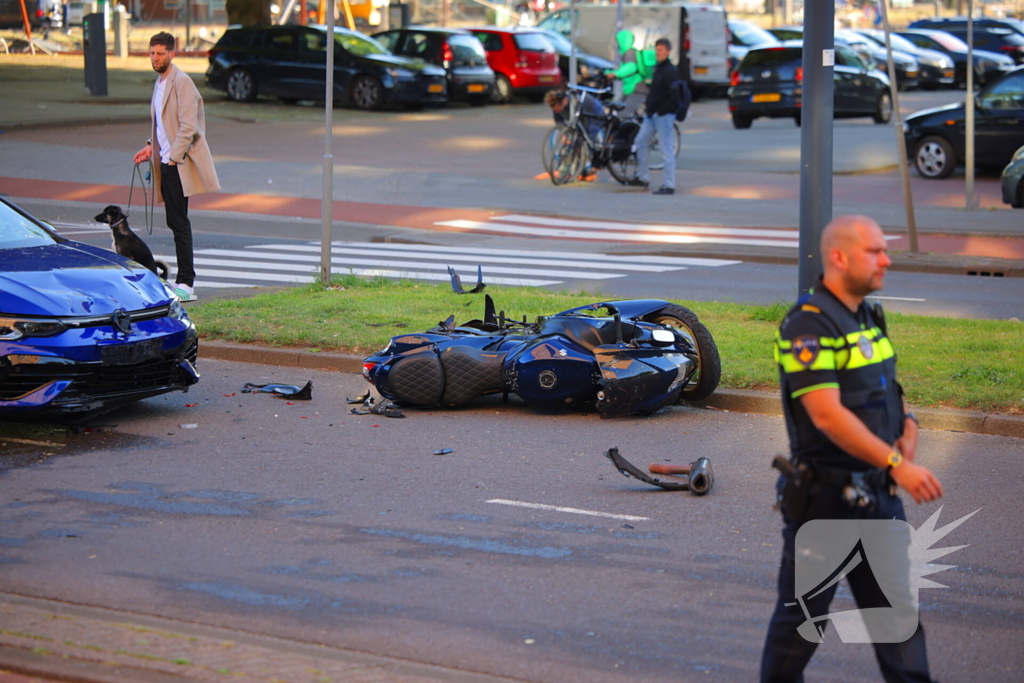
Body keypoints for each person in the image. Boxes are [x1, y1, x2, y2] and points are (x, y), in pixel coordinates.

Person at [761, 215, 944, 683]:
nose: (886, 259)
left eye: (885, 250)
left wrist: (908, 424)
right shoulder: (808, 325)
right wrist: (896, 462)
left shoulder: (867, 315)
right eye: (875, 251)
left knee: (899, 628)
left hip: (879, 501)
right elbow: (825, 414)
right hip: (827, 506)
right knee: (799, 631)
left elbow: (888, 389)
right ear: (839, 257)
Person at [133, 32, 220, 303]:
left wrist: (173, 157)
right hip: (165, 160)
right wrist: (152, 146)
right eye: (152, 53)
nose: (155, 58)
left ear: (172, 53)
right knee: (174, 220)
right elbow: (164, 123)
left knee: (179, 222)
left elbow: (188, 126)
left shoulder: (182, 82)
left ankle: (187, 283)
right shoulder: (161, 82)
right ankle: (184, 280)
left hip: (178, 164)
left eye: (160, 53)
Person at [627, 38, 679, 195]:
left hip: (663, 116)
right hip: (652, 115)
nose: (658, 52)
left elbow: (674, 95)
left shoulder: (670, 71)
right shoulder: (658, 69)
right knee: (640, 142)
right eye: (657, 49)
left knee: (666, 149)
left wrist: (662, 110)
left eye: (661, 49)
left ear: (668, 51)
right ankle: (643, 176)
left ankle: (669, 185)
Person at [545, 89, 606, 182]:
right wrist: (563, 134)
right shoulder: (557, 106)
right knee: (571, 141)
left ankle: (591, 163)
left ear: (564, 101)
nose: (556, 111)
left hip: (592, 113)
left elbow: (584, 125)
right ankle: (569, 166)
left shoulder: (578, 103)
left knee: (588, 136)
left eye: (557, 108)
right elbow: (559, 121)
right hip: (578, 118)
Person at [605, 30, 652, 118]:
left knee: (623, 115)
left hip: (637, 89)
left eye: (619, 41)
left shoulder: (630, 52)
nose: (618, 44)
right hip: (632, 89)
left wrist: (616, 74)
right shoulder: (630, 52)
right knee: (618, 107)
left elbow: (630, 68)